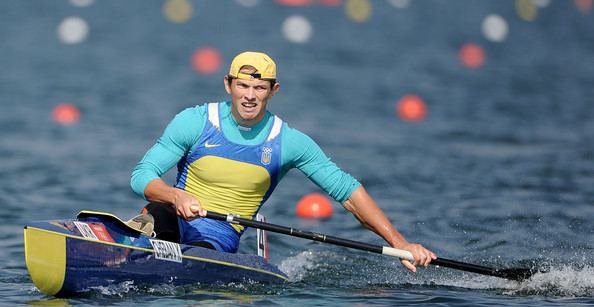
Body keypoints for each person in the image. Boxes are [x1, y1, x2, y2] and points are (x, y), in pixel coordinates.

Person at [130, 51, 436, 272]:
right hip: (170, 215)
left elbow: (347, 192)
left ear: (273, 91)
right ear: (228, 85)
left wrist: (400, 243)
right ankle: (117, 244)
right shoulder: (194, 121)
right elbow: (142, 175)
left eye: (260, 88)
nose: (250, 96)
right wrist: (175, 195)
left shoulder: (287, 141)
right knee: (154, 218)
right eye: (243, 86)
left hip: (215, 240)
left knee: (200, 261)